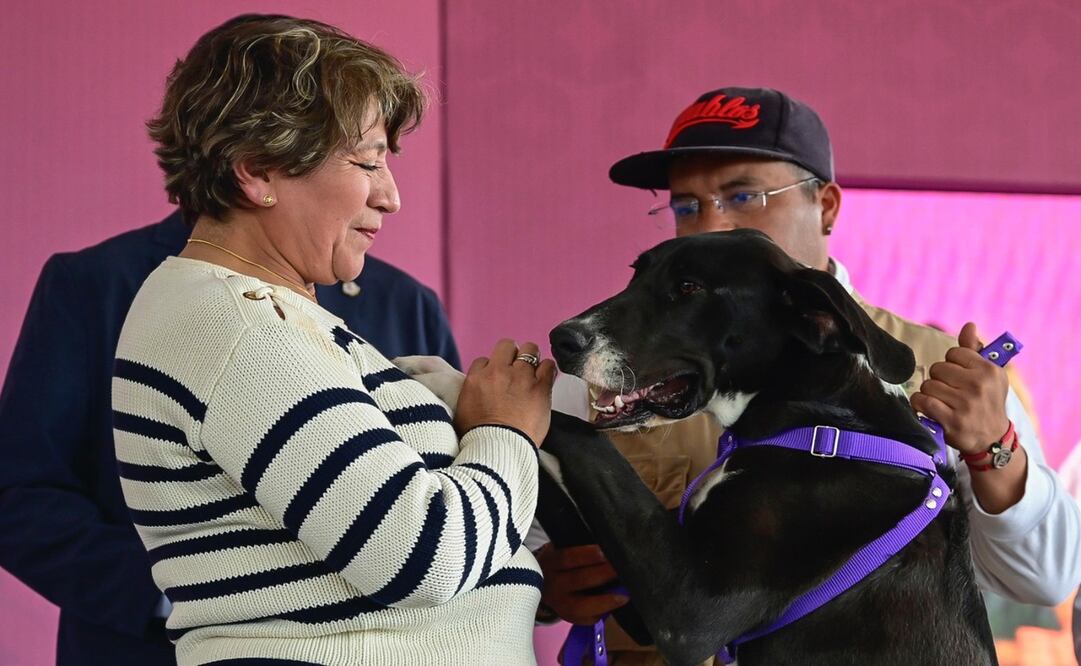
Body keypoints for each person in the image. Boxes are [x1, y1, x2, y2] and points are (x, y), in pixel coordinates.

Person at [538, 86, 1081, 664]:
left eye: (743, 195)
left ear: (826, 206)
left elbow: (1046, 580)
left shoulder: (937, 364)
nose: (711, 226)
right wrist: (545, 583)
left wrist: (994, 447)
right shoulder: (616, 361)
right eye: (686, 206)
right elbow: (526, 545)